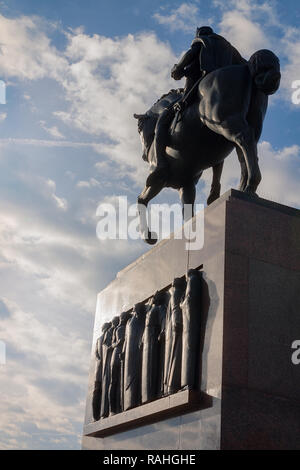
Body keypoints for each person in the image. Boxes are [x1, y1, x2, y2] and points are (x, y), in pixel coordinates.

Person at [147, 26, 246, 185]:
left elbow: (191, 54)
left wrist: (178, 68)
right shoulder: (228, 48)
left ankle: (160, 163)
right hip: (222, 93)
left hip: (198, 89)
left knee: (164, 117)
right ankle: (216, 182)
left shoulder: (203, 40)